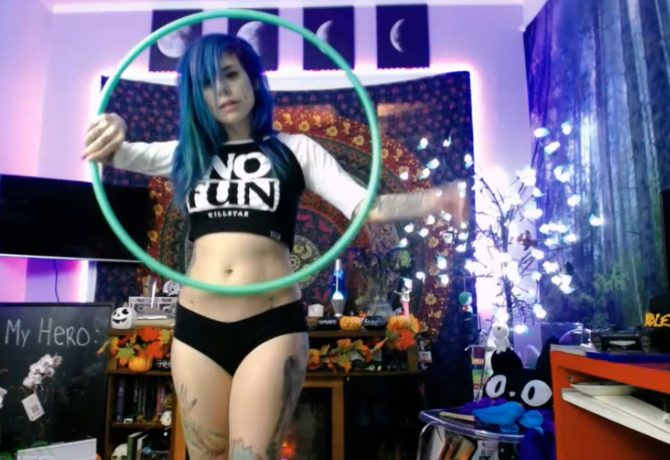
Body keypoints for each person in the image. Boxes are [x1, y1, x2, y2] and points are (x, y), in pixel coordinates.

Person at [84, 33, 466, 460]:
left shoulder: (295, 150)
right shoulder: (187, 155)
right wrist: (112, 122)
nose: (223, 90)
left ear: (253, 79)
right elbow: (111, 153)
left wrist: (435, 199)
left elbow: (368, 207)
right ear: (196, 96)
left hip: (270, 326)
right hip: (196, 327)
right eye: (208, 83)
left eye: (231, 74)